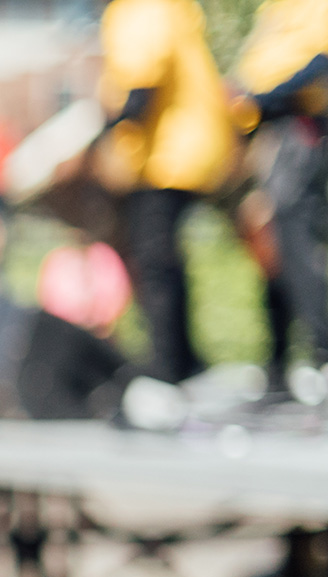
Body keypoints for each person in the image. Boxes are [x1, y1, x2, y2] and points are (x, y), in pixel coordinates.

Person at [98, 0, 240, 383]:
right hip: (189, 147)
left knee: (154, 262)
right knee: (165, 259)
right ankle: (182, 359)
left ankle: (167, 366)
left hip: (167, 153)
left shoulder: (140, 8)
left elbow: (141, 84)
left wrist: (107, 133)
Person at [234, 0, 328, 389]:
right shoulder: (277, 8)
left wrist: (265, 99)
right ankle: (281, 362)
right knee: (275, 250)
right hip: (277, 133)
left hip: (301, 130)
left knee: (297, 249)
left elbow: (321, 59)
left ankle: (322, 352)